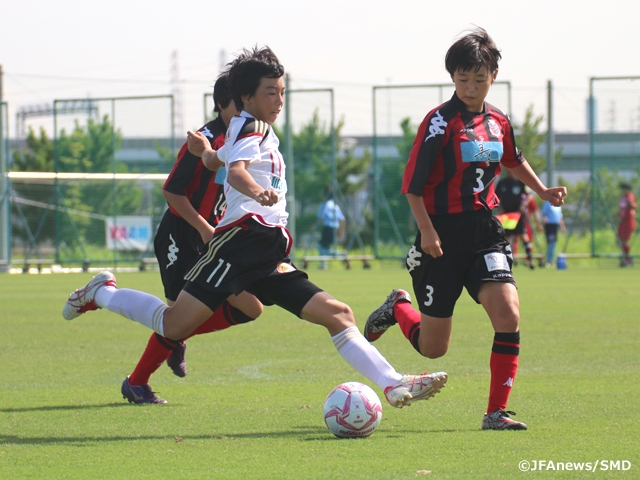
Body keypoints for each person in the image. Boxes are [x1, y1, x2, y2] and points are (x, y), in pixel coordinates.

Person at [62, 46, 447, 409]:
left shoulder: (245, 128)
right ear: (247, 97)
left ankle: (394, 381)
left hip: (267, 248)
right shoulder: (253, 130)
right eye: (270, 93)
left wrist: (204, 152)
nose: (279, 101)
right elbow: (236, 171)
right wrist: (257, 190)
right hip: (241, 242)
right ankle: (103, 294)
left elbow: (218, 161)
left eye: (282, 92)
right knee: (172, 323)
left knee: (338, 313)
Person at [363, 28, 567, 430]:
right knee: (433, 348)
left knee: (508, 312)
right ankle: (397, 307)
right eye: (462, 79)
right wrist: (426, 231)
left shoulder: (498, 121)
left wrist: (542, 189)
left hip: (483, 230)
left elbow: (512, 159)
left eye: (479, 78)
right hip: (439, 234)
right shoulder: (439, 123)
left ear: (493, 75)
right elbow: (413, 186)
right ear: (452, 78)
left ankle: (496, 412)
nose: (471, 87)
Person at [127, 73, 264, 404]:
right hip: (181, 236)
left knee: (250, 307)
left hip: (214, 238)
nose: (247, 112)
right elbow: (171, 191)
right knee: (174, 320)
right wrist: (204, 227)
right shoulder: (203, 140)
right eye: (239, 104)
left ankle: (171, 343)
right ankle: (136, 381)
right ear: (221, 105)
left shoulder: (242, 139)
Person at [496, 170, 536, 269]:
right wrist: (499, 207)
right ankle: (505, 261)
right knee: (506, 237)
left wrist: (524, 205)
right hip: (507, 214)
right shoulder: (502, 182)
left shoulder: (520, 181)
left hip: (518, 214)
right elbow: (495, 196)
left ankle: (530, 259)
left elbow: (529, 195)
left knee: (523, 235)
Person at [314, 185, 345, 269]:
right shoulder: (335, 206)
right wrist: (340, 231)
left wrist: (315, 227)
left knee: (321, 247)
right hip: (334, 229)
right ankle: (323, 264)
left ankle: (341, 255)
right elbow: (342, 220)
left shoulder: (324, 205)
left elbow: (321, 218)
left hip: (327, 228)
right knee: (325, 246)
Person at [540, 200, 566, 267]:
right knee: (551, 242)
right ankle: (548, 260)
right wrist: (545, 221)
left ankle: (551, 260)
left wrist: (562, 226)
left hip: (555, 226)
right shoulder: (547, 203)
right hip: (549, 225)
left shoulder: (558, 205)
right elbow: (544, 214)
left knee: (554, 242)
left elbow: (560, 217)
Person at [617, 182, 637, 267]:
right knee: (619, 240)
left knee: (625, 240)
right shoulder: (623, 198)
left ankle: (627, 259)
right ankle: (625, 257)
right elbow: (621, 210)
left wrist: (631, 203)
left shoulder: (630, 196)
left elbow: (634, 206)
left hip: (629, 220)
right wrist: (614, 216)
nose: (622, 190)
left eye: (624, 188)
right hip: (623, 220)